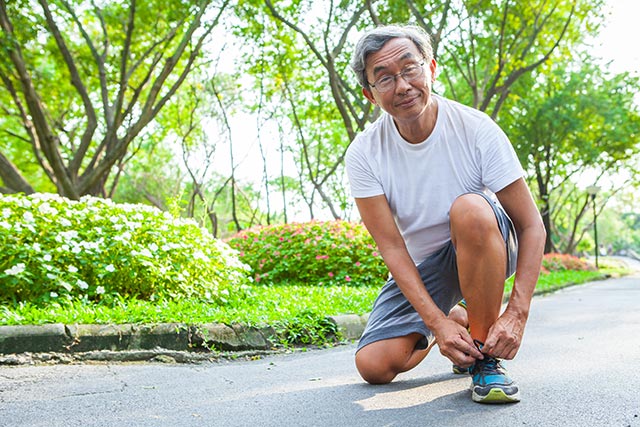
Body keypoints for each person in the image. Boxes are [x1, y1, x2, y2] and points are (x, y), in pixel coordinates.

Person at [345, 24, 546, 404]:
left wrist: (517, 312)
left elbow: (531, 224)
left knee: (469, 208)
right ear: (370, 94)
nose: (401, 85)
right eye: (384, 78)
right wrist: (436, 322)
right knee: (374, 366)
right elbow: (391, 247)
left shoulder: (476, 129)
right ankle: (458, 321)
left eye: (409, 68)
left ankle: (485, 359)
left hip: (485, 240)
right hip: (427, 268)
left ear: (431, 68)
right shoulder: (364, 153)